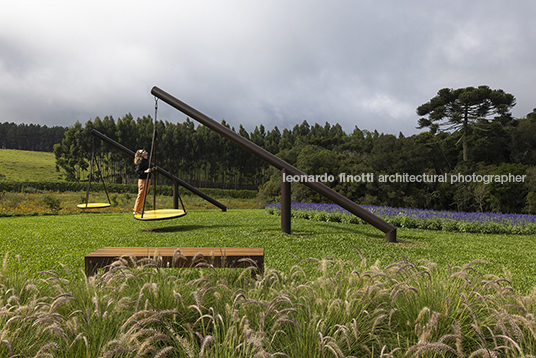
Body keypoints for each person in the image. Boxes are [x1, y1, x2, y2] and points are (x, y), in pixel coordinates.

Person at [133, 149, 156, 215]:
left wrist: (152, 168)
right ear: (141, 155)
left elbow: (149, 168)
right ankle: (136, 210)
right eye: (142, 151)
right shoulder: (141, 162)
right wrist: (145, 171)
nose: (144, 150)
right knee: (141, 194)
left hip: (147, 179)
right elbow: (138, 171)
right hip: (143, 180)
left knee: (144, 195)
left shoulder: (146, 161)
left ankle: (139, 209)